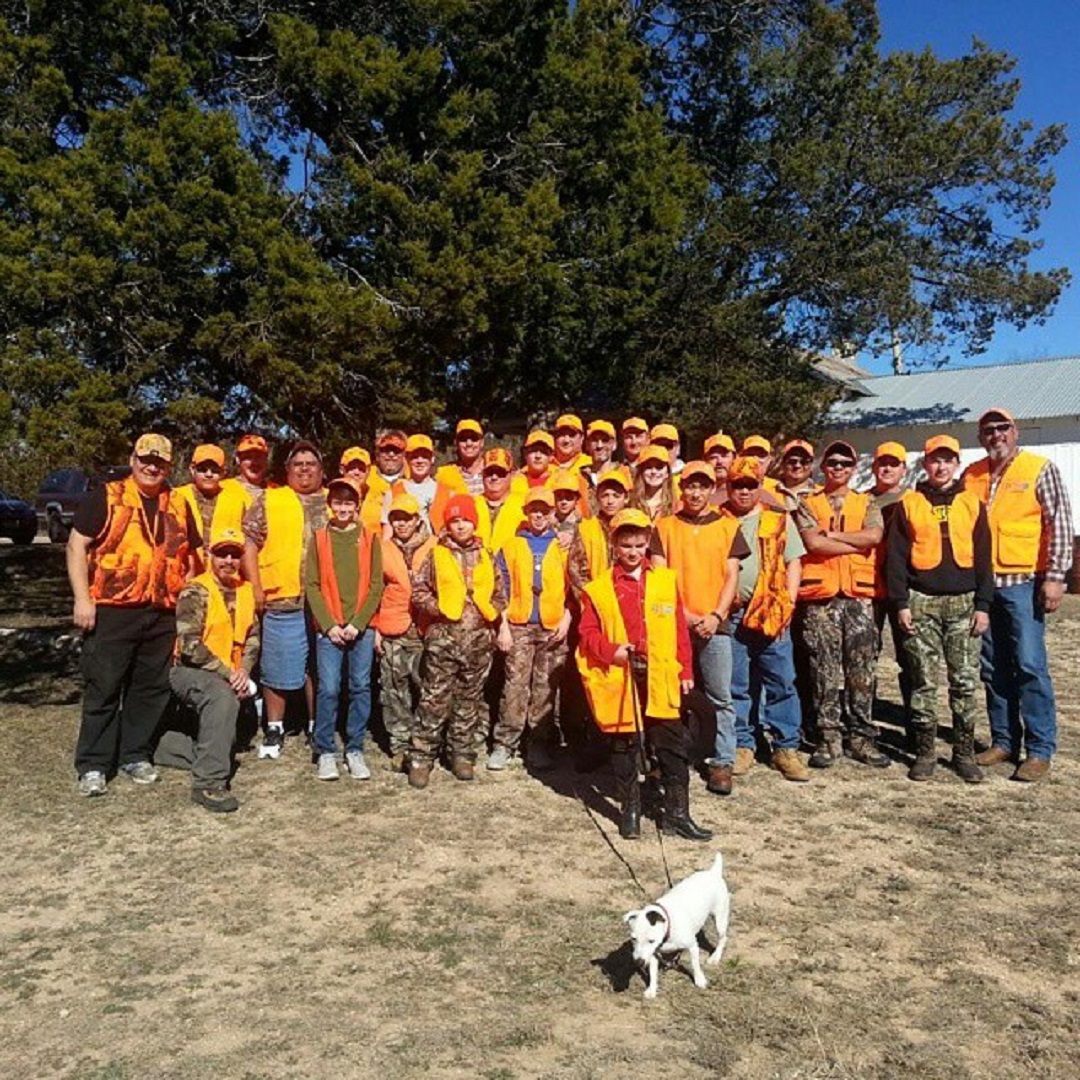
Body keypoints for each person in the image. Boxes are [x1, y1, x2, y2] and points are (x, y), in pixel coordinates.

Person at [68, 433, 192, 796]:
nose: (151, 466)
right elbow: (77, 545)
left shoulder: (179, 503)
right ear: (133, 458)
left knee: (150, 688)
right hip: (112, 609)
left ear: (169, 465)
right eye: (145, 459)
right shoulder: (106, 496)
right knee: (104, 686)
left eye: (160, 461)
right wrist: (82, 599)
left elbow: (193, 554)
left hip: (161, 611)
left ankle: (135, 754)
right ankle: (93, 763)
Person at [577, 509, 712, 842]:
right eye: (626, 546)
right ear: (615, 546)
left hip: (661, 675)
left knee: (672, 744)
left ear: (647, 544)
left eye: (639, 544)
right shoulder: (598, 589)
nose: (633, 552)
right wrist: (611, 651)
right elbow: (587, 633)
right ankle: (630, 811)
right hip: (623, 677)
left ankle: (678, 814)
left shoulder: (665, 580)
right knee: (624, 746)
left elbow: (680, 630)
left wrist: (685, 669)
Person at [963, 407, 1074, 781]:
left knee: (1029, 665)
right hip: (983, 586)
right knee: (993, 668)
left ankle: (1040, 749)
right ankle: (1004, 741)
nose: (996, 435)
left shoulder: (1039, 469)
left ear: (1016, 431)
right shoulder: (972, 474)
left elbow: (1059, 521)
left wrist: (1056, 577)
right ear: (980, 438)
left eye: (1003, 428)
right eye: (988, 430)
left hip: (1024, 582)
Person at [886, 436, 993, 782]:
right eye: (934, 460)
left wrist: (983, 605)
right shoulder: (909, 504)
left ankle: (963, 754)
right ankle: (925, 752)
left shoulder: (973, 504)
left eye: (947, 460)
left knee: (963, 682)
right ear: (925, 464)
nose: (941, 466)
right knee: (923, 681)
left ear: (956, 464)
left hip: (964, 604)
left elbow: (984, 560)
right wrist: (901, 603)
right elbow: (896, 560)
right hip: (921, 602)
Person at [651, 461, 748, 796]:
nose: (695, 492)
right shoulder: (663, 527)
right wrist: (686, 616)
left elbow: (731, 574)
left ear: (711, 489)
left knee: (720, 695)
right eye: (690, 486)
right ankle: (670, 759)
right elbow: (660, 577)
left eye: (702, 486)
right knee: (672, 696)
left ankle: (721, 762)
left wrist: (716, 615)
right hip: (674, 625)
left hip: (715, 625)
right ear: (681, 488)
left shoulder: (728, 525)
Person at [795, 439, 889, 768]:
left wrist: (832, 537)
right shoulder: (808, 502)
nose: (838, 468)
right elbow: (811, 543)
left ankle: (861, 737)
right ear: (823, 467)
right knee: (823, 669)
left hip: (860, 598)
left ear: (853, 467)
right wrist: (854, 542)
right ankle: (827, 737)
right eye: (832, 462)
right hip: (820, 599)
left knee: (862, 669)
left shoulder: (867, 503)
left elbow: (874, 537)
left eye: (845, 463)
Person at [408, 494, 507, 788]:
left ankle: (462, 755)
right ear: (447, 525)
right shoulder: (435, 554)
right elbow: (419, 591)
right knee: (434, 700)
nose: (460, 525)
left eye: (465, 519)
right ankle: (421, 758)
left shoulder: (487, 555)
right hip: (443, 641)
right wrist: (439, 610)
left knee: (469, 701)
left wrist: (491, 613)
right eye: (454, 520)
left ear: (473, 522)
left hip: (478, 642)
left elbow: (501, 592)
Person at [158, 526, 259, 812]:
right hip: (190, 671)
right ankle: (209, 783)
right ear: (209, 555)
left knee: (225, 744)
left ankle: (156, 746)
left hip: (228, 673)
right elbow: (190, 645)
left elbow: (253, 637)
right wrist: (229, 675)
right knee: (221, 698)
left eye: (234, 555)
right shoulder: (196, 590)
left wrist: (245, 671)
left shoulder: (245, 591)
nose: (228, 560)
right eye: (221, 554)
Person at [722, 456, 808, 783]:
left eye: (750, 485)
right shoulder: (719, 520)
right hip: (733, 612)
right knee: (737, 683)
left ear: (760, 486)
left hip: (772, 609)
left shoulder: (778, 520)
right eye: (737, 485)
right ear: (727, 487)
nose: (744, 491)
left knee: (781, 680)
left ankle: (786, 748)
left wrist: (788, 602)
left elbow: (794, 563)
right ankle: (743, 745)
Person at [242, 439, 328, 758]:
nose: (304, 469)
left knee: (317, 668)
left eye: (311, 463)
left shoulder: (334, 501)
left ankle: (315, 725)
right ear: (288, 469)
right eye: (298, 463)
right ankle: (274, 729)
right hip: (283, 598)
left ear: (322, 470)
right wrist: (255, 586)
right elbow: (249, 544)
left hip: (324, 602)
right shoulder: (270, 499)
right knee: (276, 667)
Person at [305, 477, 384, 781]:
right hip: (330, 630)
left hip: (359, 629)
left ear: (357, 505)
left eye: (348, 502)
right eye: (337, 502)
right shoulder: (320, 538)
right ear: (329, 505)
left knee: (360, 686)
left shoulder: (369, 538)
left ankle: (355, 748)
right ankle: (325, 750)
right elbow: (312, 585)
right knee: (328, 688)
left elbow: (376, 585)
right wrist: (328, 625)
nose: (343, 508)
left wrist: (358, 623)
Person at [489, 489, 572, 770]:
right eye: (534, 510)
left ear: (552, 513)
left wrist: (567, 620)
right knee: (514, 686)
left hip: (552, 627)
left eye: (544, 510)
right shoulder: (511, 546)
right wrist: (503, 627)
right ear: (526, 512)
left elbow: (574, 589)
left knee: (545, 689)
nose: (539, 515)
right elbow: (499, 590)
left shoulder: (564, 547)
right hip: (519, 626)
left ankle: (538, 744)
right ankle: (505, 743)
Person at [374, 494, 434, 770]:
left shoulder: (435, 547)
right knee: (394, 691)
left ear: (417, 519)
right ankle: (400, 747)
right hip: (393, 630)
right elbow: (373, 590)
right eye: (396, 518)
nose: (401, 523)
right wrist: (376, 628)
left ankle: (425, 746)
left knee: (428, 690)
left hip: (426, 630)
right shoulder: (381, 548)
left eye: (406, 518)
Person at [867, 441, 913, 715]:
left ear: (903, 469)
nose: (886, 468)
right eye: (882, 462)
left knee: (909, 656)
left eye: (893, 463)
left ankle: (913, 719)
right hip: (869, 586)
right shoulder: (861, 501)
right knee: (865, 656)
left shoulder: (914, 501)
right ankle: (864, 718)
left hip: (904, 589)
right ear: (873, 467)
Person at [175, 444, 250, 573]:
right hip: (185, 574)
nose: (209, 474)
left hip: (225, 576)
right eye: (202, 469)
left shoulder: (237, 500)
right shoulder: (176, 497)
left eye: (215, 470)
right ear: (192, 469)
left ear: (223, 472)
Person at [569, 472, 630, 596]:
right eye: (605, 495)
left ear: (626, 498)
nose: (610, 501)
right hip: (595, 600)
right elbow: (576, 571)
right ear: (597, 497)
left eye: (616, 496)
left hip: (627, 598)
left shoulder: (634, 527)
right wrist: (590, 600)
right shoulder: (585, 528)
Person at [474, 447, 526, 555]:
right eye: (489, 472)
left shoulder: (525, 505)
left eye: (500, 472)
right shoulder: (471, 504)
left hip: (510, 568)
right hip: (478, 568)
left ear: (511, 475)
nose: (494, 477)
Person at [362, 430, 407, 531]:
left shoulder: (413, 480)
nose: (391, 454)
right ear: (377, 454)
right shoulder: (365, 477)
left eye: (396, 451)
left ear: (404, 455)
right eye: (386, 450)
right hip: (369, 541)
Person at [434, 419, 486, 498]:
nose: (469, 443)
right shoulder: (445, 474)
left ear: (482, 442)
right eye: (463, 439)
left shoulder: (495, 472)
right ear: (456, 443)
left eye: (474, 438)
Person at [630, 444, 676, 521]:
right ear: (641, 472)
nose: (653, 471)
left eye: (659, 467)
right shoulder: (631, 503)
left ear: (667, 473)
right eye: (648, 467)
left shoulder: (676, 505)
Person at [510, 430, 555, 498]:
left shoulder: (560, 480)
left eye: (543, 451)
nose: (538, 456)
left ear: (551, 456)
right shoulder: (514, 481)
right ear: (525, 454)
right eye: (533, 450)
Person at [583, 421, 623, 488]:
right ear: (587, 445)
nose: (599, 446)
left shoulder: (624, 473)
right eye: (594, 440)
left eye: (605, 440)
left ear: (614, 445)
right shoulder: (580, 476)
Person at [703, 433, 737, 506]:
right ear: (705, 461)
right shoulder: (696, 493)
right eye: (713, 457)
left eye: (724, 456)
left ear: (734, 459)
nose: (719, 462)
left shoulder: (745, 492)